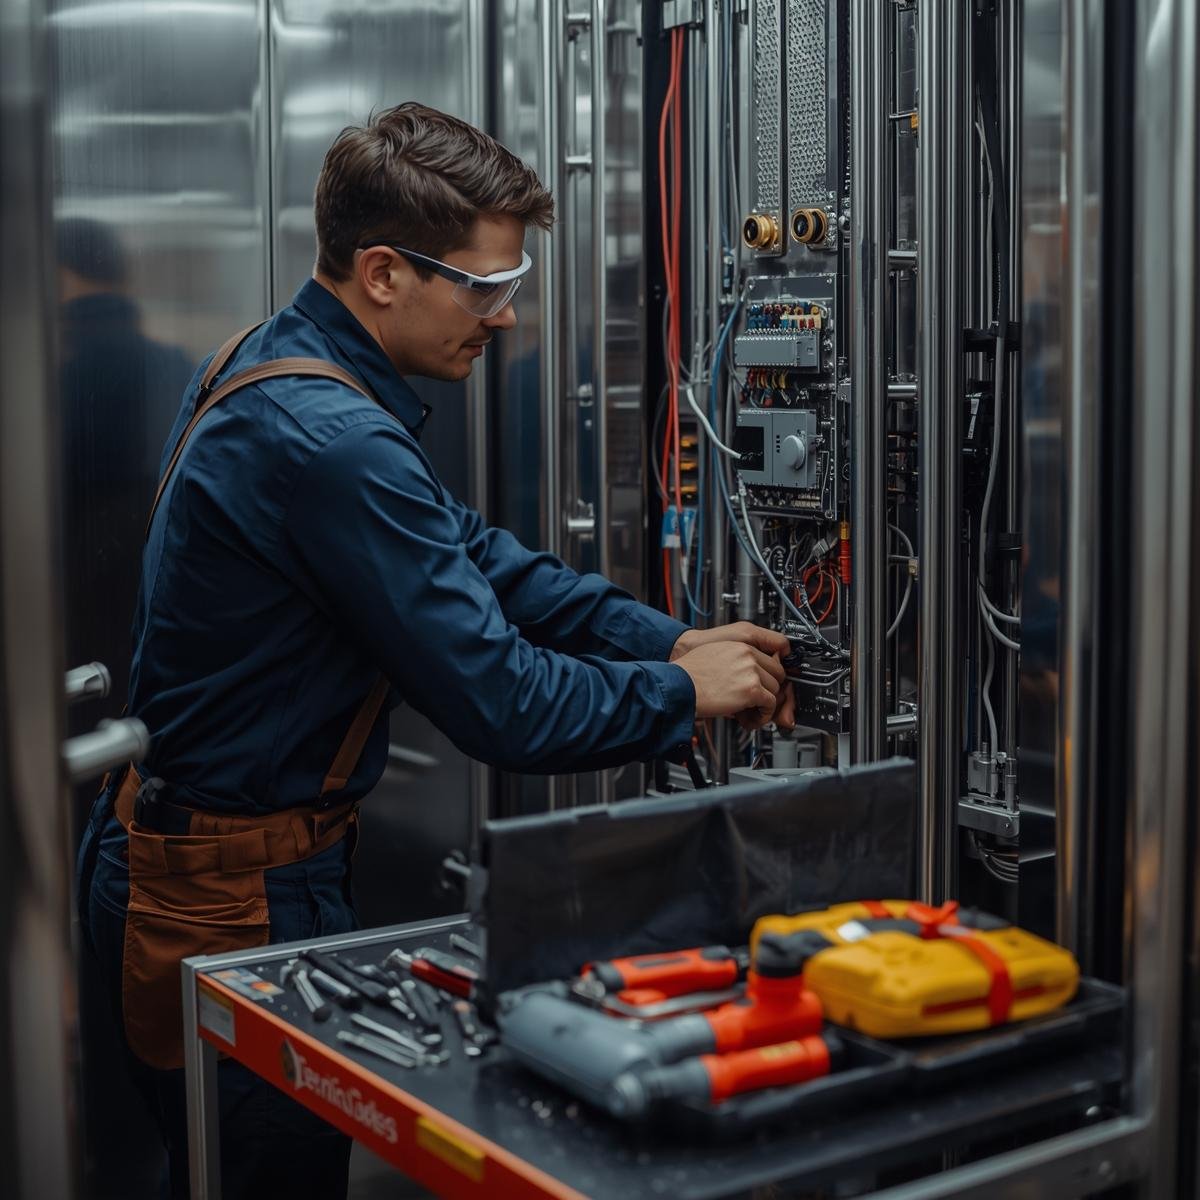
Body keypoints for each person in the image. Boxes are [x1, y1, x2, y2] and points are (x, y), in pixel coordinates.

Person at [76, 101, 795, 1200]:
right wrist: (676, 692)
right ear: (382, 273)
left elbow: (478, 557)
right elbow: (503, 704)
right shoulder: (332, 439)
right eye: (486, 287)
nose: (506, 317)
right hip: (226, 893)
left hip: (205, 861)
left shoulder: (273, 364)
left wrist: (669, 638)